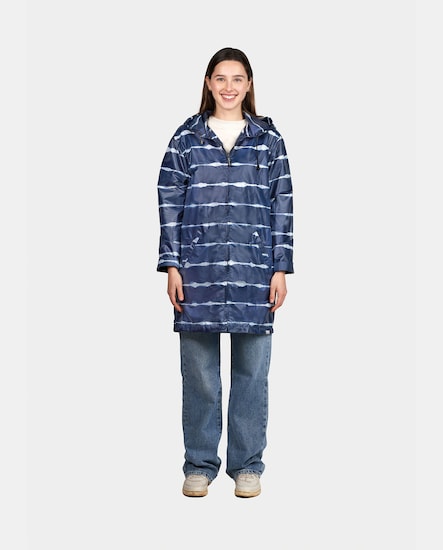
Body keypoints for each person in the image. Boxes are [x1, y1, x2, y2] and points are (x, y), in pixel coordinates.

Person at [156, 47, 294, 498]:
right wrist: (172, 264)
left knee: (252, 374)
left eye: (237, 79)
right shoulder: (186, 139)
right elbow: (168, 202)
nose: (229, 87)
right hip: (199, 271)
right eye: (221, 78)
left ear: (249, 84)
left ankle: (247, 466)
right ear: (208, 83)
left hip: (255, 272)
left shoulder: (268, 141)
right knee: (199, 375)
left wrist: (280, 268)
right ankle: (199, 464)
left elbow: (282, 204)